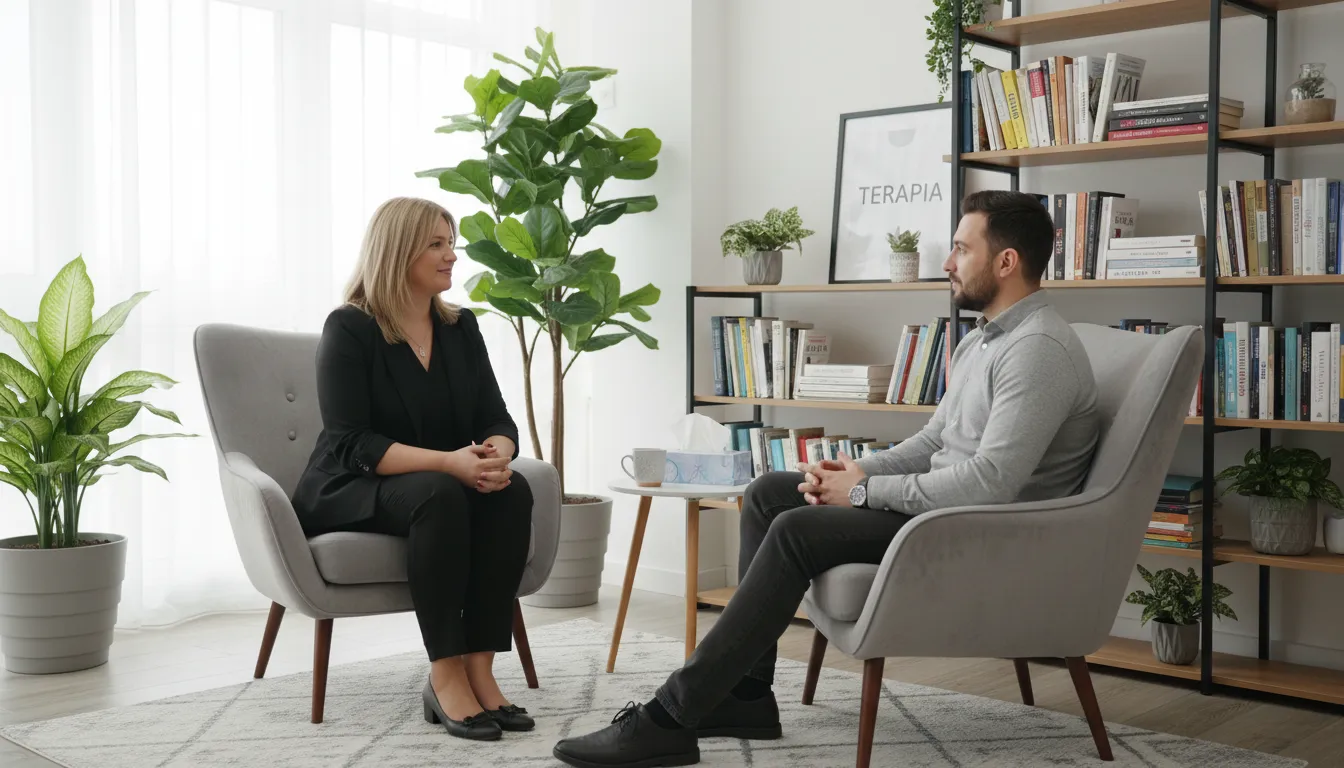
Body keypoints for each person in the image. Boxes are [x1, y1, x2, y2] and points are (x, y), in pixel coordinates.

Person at [551, 190, 1102, 767]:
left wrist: (861, 493)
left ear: (1006, 262)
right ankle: (746, 696)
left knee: (793, 531)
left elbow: (991, 483)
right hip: (939, 511)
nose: (948, 262)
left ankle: (670, 715)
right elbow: (936, 442)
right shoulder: (982, 340)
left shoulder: (1037, 350)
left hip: (977, 531)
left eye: (962, 249)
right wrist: (858, 469)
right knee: (769, 494)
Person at [291, 196, 534, 743]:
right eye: (437, 244)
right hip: (351, 485)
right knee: (439, 495)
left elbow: (495, 416)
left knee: (512, 493)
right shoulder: (350, 328)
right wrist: (451, 464)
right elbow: (353, 441)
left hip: (432, 480)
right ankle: (444, 675)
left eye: (452, 243)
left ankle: (480, 670)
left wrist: (498, 455)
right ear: (399, 251)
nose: (452, 256)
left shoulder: (460, 327)